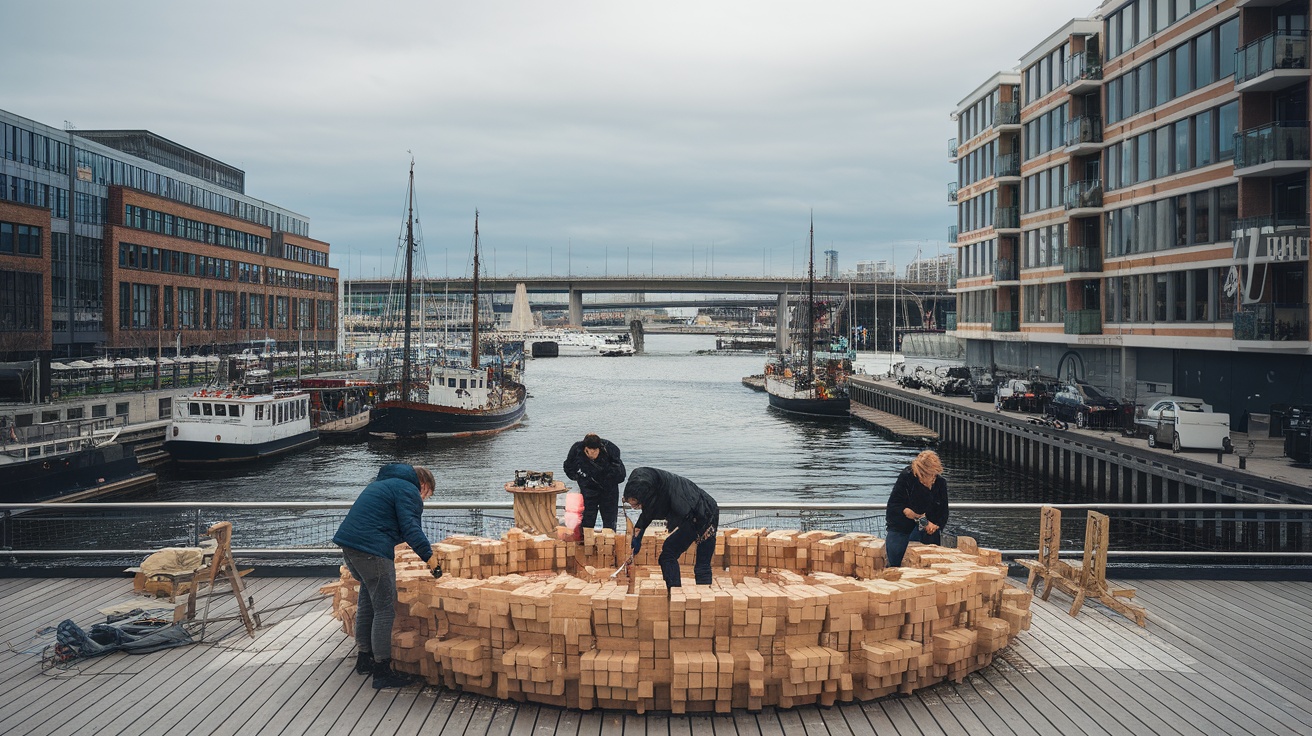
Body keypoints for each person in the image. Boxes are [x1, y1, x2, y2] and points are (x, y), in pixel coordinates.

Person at [333, 463, 442, 689]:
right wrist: (429, 557)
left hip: (350, 546)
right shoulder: (408, 490)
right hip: (372, 550)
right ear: (423, 485)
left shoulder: (384, 484)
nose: (424, 501)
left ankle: (365, 659)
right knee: (384, 608)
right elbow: (411, 528)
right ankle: (382, 671)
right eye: (427, 496)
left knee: (367, 598)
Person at [624, 467, 719, 587]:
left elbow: (689, 519)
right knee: (668, 555)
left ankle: (702, 599)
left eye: (636, 504)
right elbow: (647, 514)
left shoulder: (677, 499)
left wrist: (700, 535)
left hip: (704, 514)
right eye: (630, 503)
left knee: (700, 563)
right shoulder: (647, 484)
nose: (634, 508)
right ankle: (675, 593)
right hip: (697, 510)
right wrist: (638, 537)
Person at [884, 450, 949, 567]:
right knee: (895, 561)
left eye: (933, 475)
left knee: (928, 563)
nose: (930, 478)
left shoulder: (940, 483)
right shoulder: (907, 477)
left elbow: (943, 511)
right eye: (926, 475)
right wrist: (909, 513)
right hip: (901, 526)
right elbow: (895, 505)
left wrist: (936, 525)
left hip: (927, 529)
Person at [563, 433, 627, 531]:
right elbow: (568, 466)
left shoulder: (610, 449)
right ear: (585, 448)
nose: (592, 454)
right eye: (589, 451)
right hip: (588, 487)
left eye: (595, 451)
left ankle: (609, 537)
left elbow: (621, 475)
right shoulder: (577, 449)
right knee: (587, 518)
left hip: (608, 489)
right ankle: (586, 539)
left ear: (599, 448)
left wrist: (606, 476)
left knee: (609, 519)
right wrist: (578, 477)